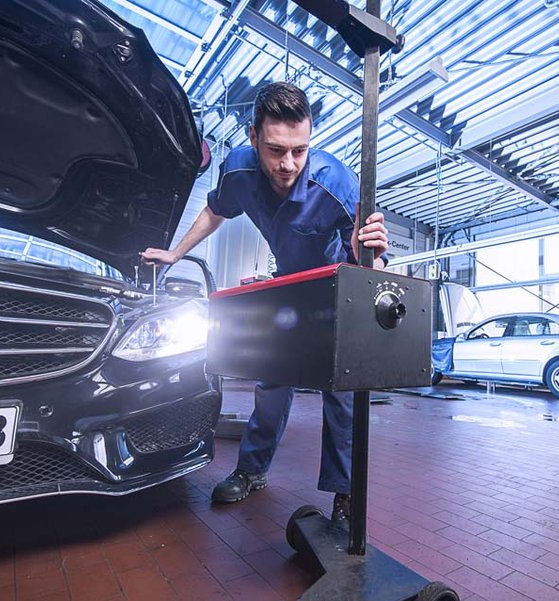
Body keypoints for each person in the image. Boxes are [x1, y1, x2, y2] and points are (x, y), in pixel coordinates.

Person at [141, 82, 388, 522]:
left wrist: (368, 245)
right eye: (276, 150)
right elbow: (216, 209)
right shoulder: (238, 170)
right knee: (272, 380)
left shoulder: (335, 181)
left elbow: (367, 248)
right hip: (288, 288)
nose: (289, 163)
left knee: (343, 392)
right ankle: (252, 471)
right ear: (253, 137)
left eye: (300, 149)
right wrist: (176, 253)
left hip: (337, 289)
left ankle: (345, 492)